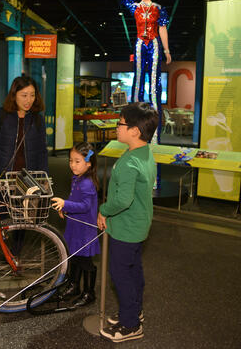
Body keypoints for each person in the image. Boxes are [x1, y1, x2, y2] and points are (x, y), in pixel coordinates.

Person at [97, 102, 158, 343]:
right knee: (134, 270)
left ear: (134, 130)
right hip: (139, 225)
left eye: (120, 123)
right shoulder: (143, 152)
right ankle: (133, 311)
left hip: (125, 227)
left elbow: (123, 199)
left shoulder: (131, 162)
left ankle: (131, 325)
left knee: (121, 273)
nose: (116, 127)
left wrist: (103, 210)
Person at [109, 0, 170, 144]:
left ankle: (155, 129)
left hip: (154, 44)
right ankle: (135, 119)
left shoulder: (159, 8)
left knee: (154, 81)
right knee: (137, 80)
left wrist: (167, 50)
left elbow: (163, 29)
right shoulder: (135, 7)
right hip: (139, 45)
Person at [51, 142, 100, 307]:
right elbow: (75, 201)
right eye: (71, 160)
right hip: (75, 226)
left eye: (77, 161)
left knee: (86, 262)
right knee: (75, 257)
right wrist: (66, 209)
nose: (72, 164)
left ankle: (89, 292)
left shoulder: (87, 183)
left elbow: (85, 206)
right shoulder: (78, 178)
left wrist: (65, 204)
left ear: (88, 163)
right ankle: (73, 286)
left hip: (85, 230)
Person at [0, 76, 48, 176]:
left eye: (32, 95)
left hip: (30, 177)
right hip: (3, 176)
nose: (29, 100)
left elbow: (42, 151)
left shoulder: (38, 119)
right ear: (14, 95)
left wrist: (44, 175)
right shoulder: (0, 115)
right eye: (24, 95)